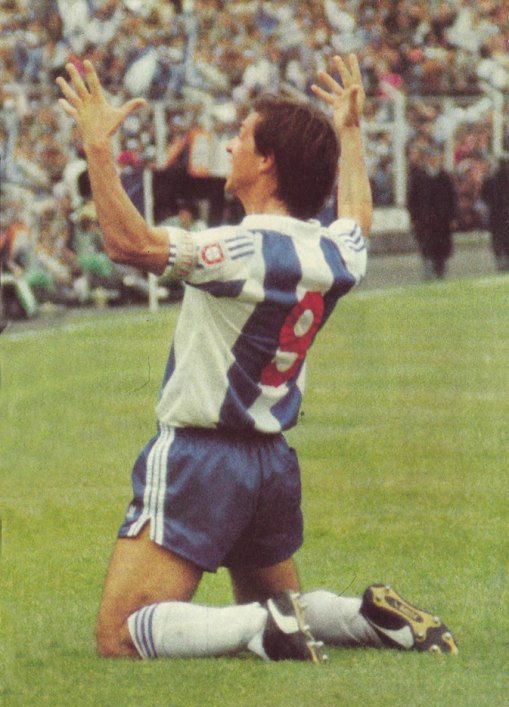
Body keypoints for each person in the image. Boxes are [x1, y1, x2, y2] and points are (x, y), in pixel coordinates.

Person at [56, 55, 458, 662]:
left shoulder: (238, 248)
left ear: (267, 161)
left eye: (241, 136)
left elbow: (129, 243)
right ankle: (363, 617)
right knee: (282, 603)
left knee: (120, 633)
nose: (229, 145)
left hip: (203, 456)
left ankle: (260, 628)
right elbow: (356, 219)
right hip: (269, 461)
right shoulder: (334, 254)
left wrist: (96, 146)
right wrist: (349, 133)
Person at [407, 148, 457, 280]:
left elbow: (452, 198)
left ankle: (440, 269)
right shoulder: (418, 177)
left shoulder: (445, 176)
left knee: (442, 246)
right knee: (426, 245)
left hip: (442, 219)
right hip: (425, 219)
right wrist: (413, 217)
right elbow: (412, 199)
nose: (435, 161)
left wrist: (452, 217)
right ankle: (428, 269)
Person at [481, 156, 509, 272]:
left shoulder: (490, 178)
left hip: (496, 214)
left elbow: (484, 196)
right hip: (501, 214)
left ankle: (501, 260)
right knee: (502, 238)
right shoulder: (492, 179)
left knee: (498, 239)